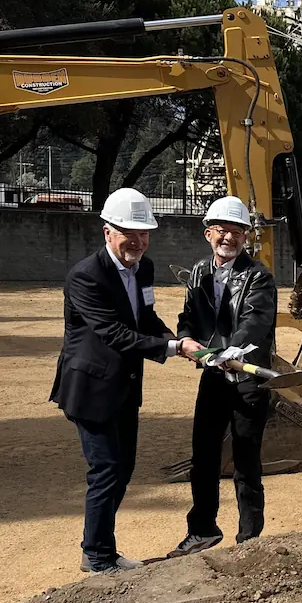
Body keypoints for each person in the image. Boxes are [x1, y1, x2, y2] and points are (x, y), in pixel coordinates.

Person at [51, 188, 203, 574]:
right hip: (90, 389)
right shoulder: (86, 277)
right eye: (128, 233)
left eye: (144, 233)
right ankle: (99, 558)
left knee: (124, 467)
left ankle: (99, 548)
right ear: (107, 232)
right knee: (106, 469)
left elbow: (146, 320)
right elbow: (115, 334)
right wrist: (173, 348)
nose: (137, 241)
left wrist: (178, 340)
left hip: (123, 387)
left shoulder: (144, 268)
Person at [168, 196, 277, 557]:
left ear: (246, 236)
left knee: (246, 459)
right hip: (213, 376)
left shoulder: (258, 276)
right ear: (208, 233)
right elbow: (189, 316)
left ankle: (249, 539)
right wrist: (186, 339)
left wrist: (235, 348)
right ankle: (202, 530)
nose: (228, 237)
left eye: (236, 231)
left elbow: (256, 319)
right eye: (222, 230)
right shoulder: (200, 272)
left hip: (247, 379)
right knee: (204, 456)